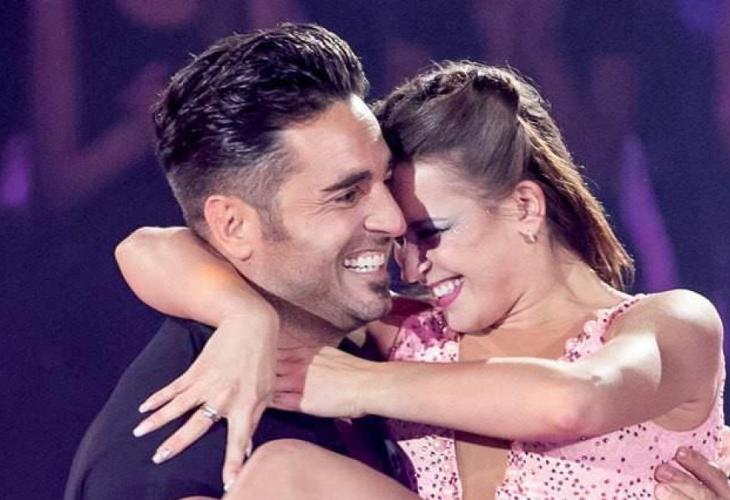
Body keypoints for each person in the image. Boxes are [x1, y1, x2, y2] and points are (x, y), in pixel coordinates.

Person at [118, 61, 725, 498]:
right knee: (282, 476)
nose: (411, 267)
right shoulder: (415, 336)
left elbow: (575, 401)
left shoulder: (670, 322)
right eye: (403, 240)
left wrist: (355, 384)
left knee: (286, 475)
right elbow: (147, 248)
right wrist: (243, 316)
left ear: (524, 207)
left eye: (431, 232)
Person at [64, 23, 414, 499]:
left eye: (386, 179)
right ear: (233, 226)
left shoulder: (379, 341)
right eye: (347, 195)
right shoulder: (178, 469)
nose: (395, 220)